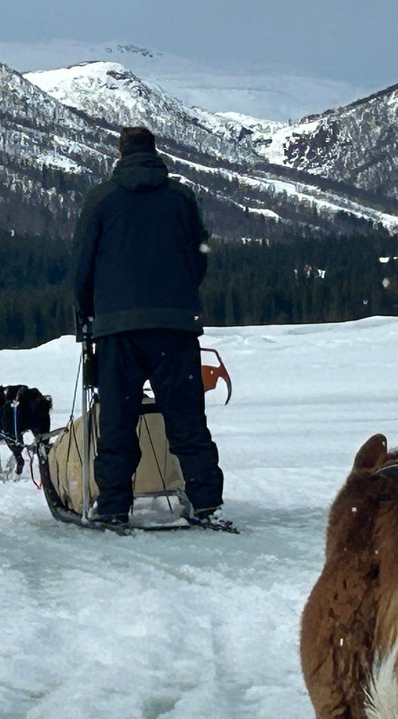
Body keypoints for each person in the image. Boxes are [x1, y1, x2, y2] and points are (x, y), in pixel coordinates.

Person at [73, 126, 226, 527]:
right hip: (175, 326)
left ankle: (112, 506)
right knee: (187, 419)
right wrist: (180, 296)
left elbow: (82, 265)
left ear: (120, 154)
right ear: (155, 153)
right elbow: (200, 255)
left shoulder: (101, 199)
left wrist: (86, 314)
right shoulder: (180, 198)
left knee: (117, 421)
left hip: (117, 328)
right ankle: (206, 501)